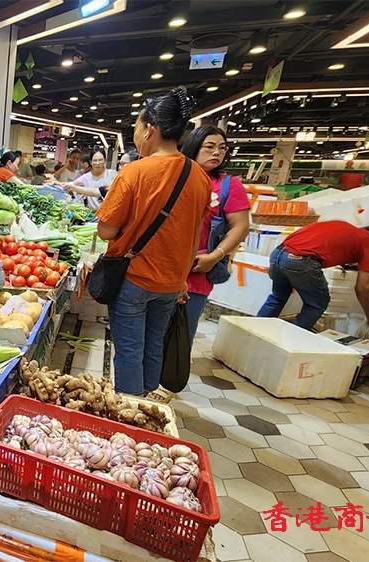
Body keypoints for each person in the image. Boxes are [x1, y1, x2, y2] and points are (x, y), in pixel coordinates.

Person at [95, 86, 211, 400]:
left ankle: (130, 419)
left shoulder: (134, 171)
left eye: (135, 129)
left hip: (134, 278)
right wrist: (183, 277)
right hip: (172, 283)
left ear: (150, 130)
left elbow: (106, 231)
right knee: (153, 345)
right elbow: (194, 236)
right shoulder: (199, 176)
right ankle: (149, 406)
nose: (135, 136)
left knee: (130, 351)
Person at [179, 125, 251, 342]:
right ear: (194, 147)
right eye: (209, 147)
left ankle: (171, 376)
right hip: (164, 268)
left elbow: (241, 227)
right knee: (153, 335)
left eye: (222, 148)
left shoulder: (229, 185)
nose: (217, 153)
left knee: (182, 334)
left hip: (198, 268)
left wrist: (215, 256)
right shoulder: (177, 177)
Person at [257, 222, 369, 330]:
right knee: (317, 304)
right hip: (301, 261)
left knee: (278, 297)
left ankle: (256, 331)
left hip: (278, 254)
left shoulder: (346, 228)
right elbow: (362, 287)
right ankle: (290, 341)